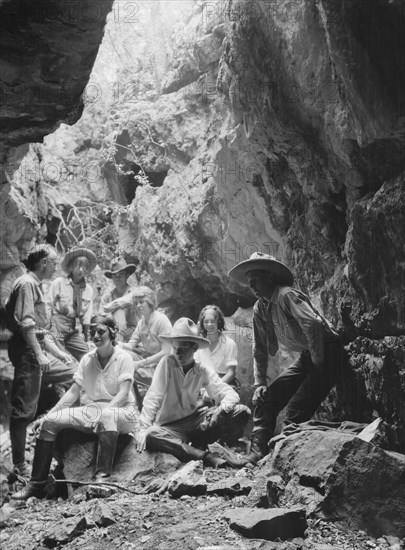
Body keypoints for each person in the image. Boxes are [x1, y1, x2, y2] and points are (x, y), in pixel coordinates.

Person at [228, 252, 344, 465]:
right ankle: (256, 454)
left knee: (294, 414)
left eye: (256, 279)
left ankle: (287, 460)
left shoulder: (286, 295)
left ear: (270, 277)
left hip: (327, 352)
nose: (251, 284)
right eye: (249, 281)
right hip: (309, 355)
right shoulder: (260, 307)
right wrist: (260, 383)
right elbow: (260, 348)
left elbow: (313, 324)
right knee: (266, 399)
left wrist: (318, 361)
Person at [11, 314, 139, 500]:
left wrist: (104, 414)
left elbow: (124, 393)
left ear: (112, 333)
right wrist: (47, 416)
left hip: (123, 411)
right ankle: (37, 484)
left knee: (109, 415)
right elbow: (73, 393)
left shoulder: (123, 357)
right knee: (51, 422)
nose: (95, 335)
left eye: (100, 331)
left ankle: (101, 479)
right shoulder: (87, 359)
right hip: (95, 410)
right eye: (92, 331)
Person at [136, 318, 250, 467]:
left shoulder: (201, 370)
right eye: (175, 347)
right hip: (170, 426)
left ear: (194, 348)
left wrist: (220, 411)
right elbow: (153, 397)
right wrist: (143, 428)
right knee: (152, 434)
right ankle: (205, 457)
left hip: (197, 421)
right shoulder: (167, 363)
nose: (178, 352)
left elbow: (230, 394)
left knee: (242, 412)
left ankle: (199, 443)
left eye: (183, 348)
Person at [5, 245, 75, 477]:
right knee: (23, 410)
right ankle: (19, 464)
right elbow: (26, 324)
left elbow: (41, 331)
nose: (56, 266)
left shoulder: (33, 284)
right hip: (28, 354)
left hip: (33, 351)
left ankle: (63, 429)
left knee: (74, 372)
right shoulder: (26, 284)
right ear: (43, 261)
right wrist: (40, 354)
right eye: (54, 261)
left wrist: (58, 354)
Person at [119, 287, 172, 406]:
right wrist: (118, 345)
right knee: (122, 356)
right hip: (150, 362)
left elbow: (166, 352)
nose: (138, 306)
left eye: (141, 302)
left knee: (130, 368)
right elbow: (131, 345)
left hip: (165, 365)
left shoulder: (161, 320)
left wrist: (141, 363)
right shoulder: (141, 322)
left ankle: (143, 400)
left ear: (150, 302)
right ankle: (133, 399)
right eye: (136, 303)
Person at [46, 247, 96, 361]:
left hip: (72, 327)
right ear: (72, 266)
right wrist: (47, 329)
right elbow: (48, 306)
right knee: (61, 357)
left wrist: (88, 339)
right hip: (56, 323)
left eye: (84, 266)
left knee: (89, 356)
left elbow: (86, 317)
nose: (81, 269)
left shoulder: (88, 290)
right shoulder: (59, 282)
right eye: (78, 265)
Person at [195, 304, 240, 393]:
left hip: (225, 384)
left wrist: (213, 388)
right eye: (206, 321)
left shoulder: (229, 344)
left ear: (218, 321)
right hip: (203, 386)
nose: (209, 324)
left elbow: (231, 373)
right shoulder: (198, 345)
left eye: (212, 321)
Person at [99, 257, 139, 342]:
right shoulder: (107, 296)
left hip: (134, 332)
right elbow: (101, 315)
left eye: (121, 274)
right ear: (112, 278)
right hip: (114, 332)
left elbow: (129, 299)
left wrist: (112, 307)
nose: (118, 278)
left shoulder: (134, 291)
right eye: (115, 275)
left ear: (127, 275)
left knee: (119, 311)